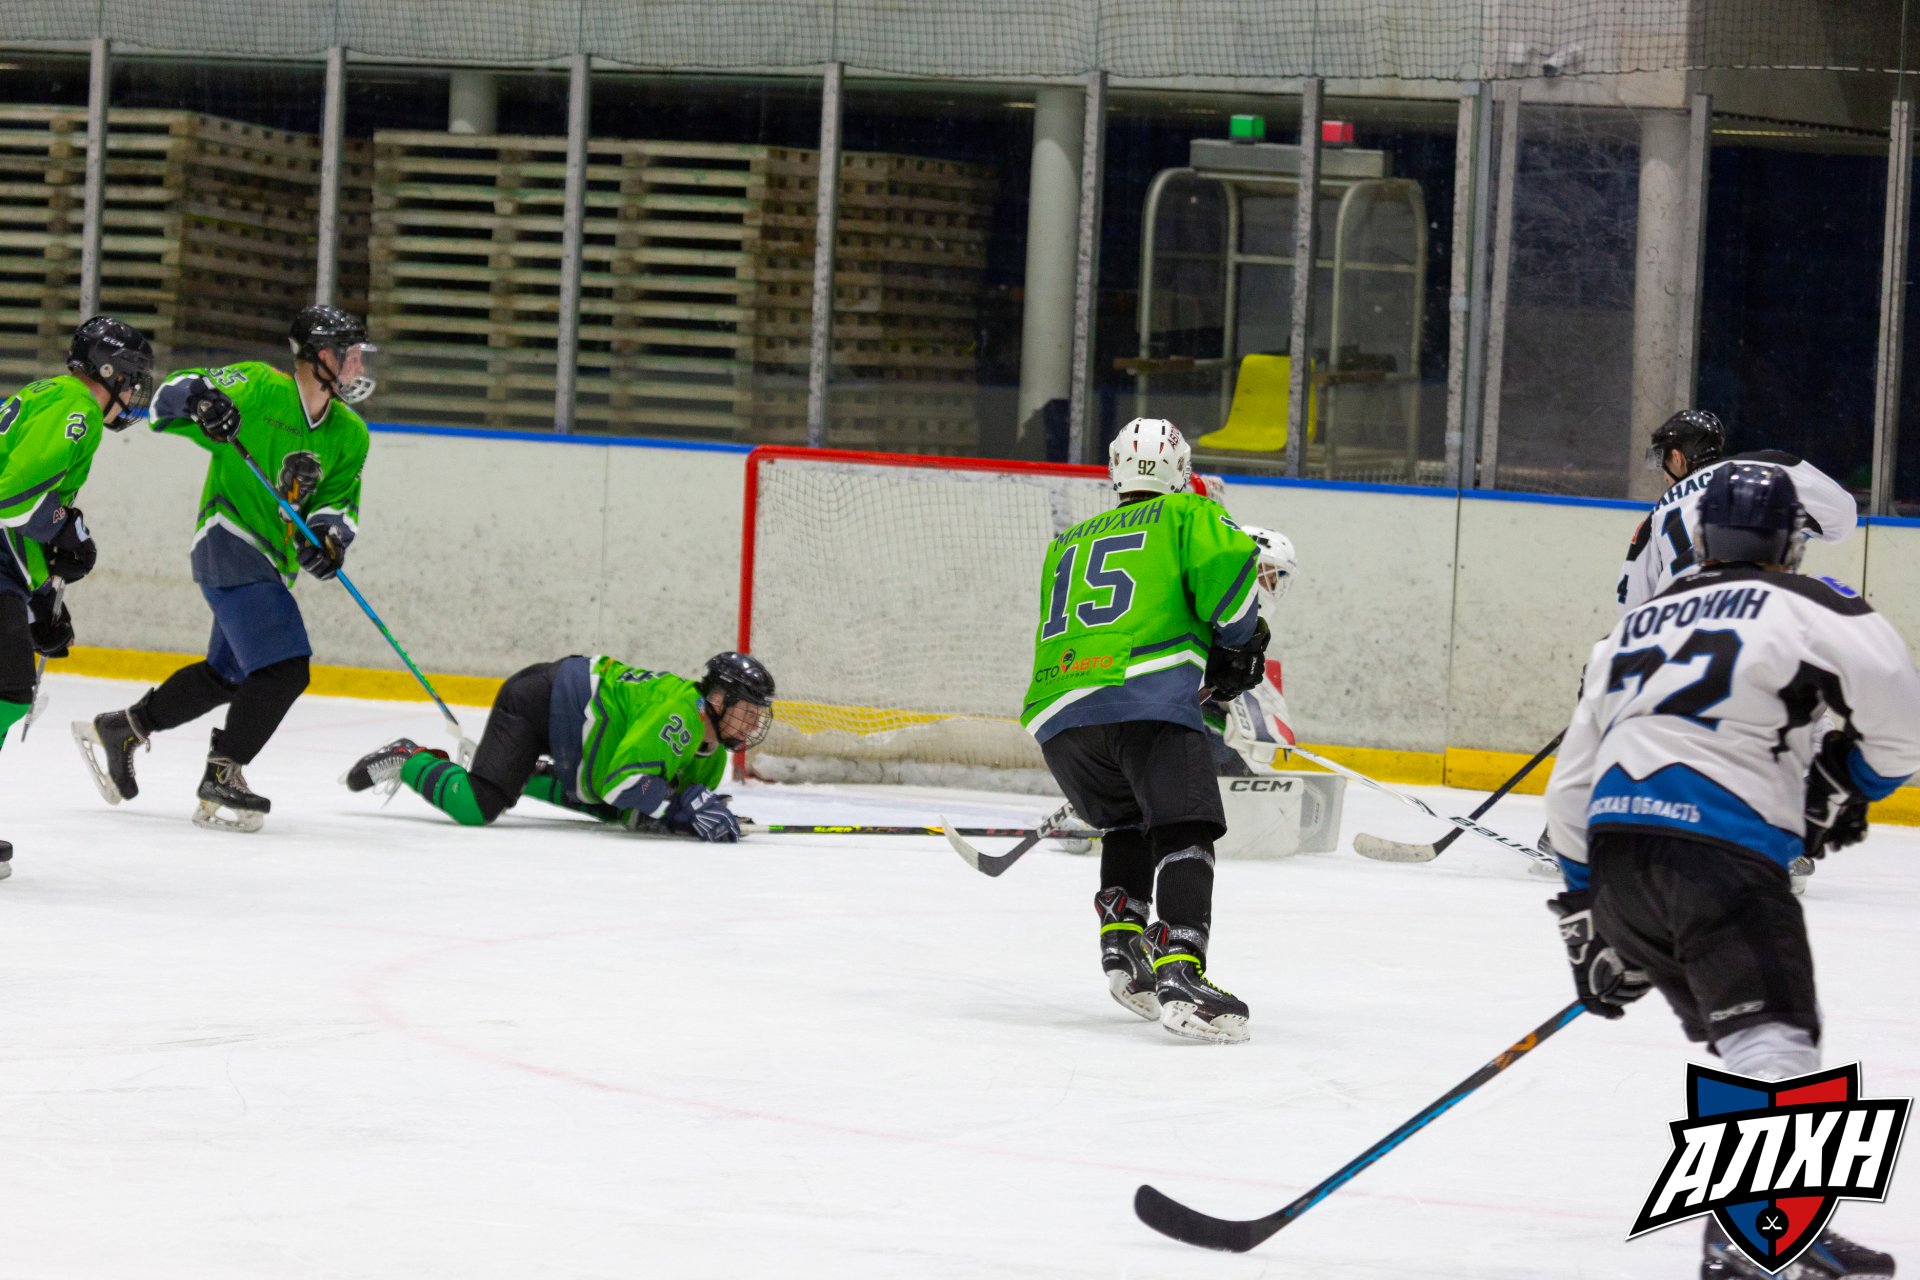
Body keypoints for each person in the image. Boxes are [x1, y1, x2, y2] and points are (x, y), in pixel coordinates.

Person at [1545, 463, 1920, 1279]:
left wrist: (1586, 916)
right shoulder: (1814, 604)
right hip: (1718, 854)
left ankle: (1782, 1231)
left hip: (1616, 855)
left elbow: (1570, 786)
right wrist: (1848, 781)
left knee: (1749, 1041)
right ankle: (1756, 1245)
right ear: (1792, 539)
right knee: (1775, 1040)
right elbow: (1904, 726)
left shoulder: (1633, 627)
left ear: (1705, 536)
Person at [73, 304, 375, 832]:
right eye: (349, 355)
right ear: (320, 357)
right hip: (228, 540)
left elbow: (337, 502)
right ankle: (223, 771)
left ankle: (125, 727)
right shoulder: (258, 386)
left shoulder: (351, 433)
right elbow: (169, 397)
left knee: (227, 675)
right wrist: (203, 401)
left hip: (273, 564)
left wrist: (328, 540)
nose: (359, 366)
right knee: (286, 668)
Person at [1022, 416, 1269, 1044]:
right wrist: (1242, 645)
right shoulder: (1189, 514)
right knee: (1185, 825)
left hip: (1059, 714)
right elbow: (1231, 582)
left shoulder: (1067, 540)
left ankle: (1123, 948)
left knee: (1127, 822)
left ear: (1115, 470)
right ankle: (1182, 972)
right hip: (1145, 699)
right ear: (1182, 470)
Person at [0, 317, 154, 877]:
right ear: (108, 372)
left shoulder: (50, 394)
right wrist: (64, 527)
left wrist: (42, 595)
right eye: (132, 380)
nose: (135, 393)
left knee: (9, 686)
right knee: (7, 687)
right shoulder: (77, 410)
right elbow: (13, 500)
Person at [342, 651, 773, 841]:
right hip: (538, 702)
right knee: (478, 806)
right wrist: (680, 807)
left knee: (620, 809)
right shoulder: (678, 717)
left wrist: (691, 817)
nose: (754, 723)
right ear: (719, 700)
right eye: (748, 710)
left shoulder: (712, 755)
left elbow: (640, 808)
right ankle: (410, 757)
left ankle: (524, 773)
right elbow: (623, 784)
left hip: (577, 728)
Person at [1616, 409, 1855, 614]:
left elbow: (1631, 607)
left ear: (1677, 458)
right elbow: (1843, 517)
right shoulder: (1768, 465)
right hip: (1760, 612)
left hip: (1678, 627)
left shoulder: (1657, 514)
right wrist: (1793, 531)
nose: (1665, 477)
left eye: (1665, 463)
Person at [1207, 524, 1297, 775]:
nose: (1273, 584)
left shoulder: (1244, 623)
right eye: (1270, 574)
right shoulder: (1217, 614)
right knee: (1220, 754)